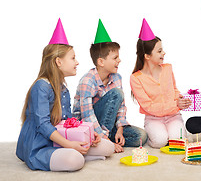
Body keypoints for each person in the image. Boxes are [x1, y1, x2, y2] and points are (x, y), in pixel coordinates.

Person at [16, 19, 114, 172]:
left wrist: (89, 132)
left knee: (108, 147)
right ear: (58, 62)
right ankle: (75, 155)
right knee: (74, 160)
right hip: (40, 146)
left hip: (60, 140)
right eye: (73, 58)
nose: (77, 62)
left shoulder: (63, 89)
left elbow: (69, 121)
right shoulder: (41, 86)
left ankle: (75, 153)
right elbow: (43, 125)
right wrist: (69, 145)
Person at [73, 19, 147, 153]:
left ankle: (110, 139)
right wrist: (103, 137)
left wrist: (119, 129)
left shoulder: (116, 78)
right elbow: (87, 115)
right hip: (89, 127)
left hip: (109, 126)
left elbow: (121, 107)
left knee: (141, 137)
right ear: (101, 61)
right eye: (115, 57)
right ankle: (104, 141)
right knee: (117, 93)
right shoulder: (87, 81)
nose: (119, 60)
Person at [130, 19, 191, 148]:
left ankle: (171, 134)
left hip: (173, 116)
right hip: (153, 118)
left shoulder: (168, 68)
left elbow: (174, 89)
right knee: (160, 141)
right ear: (147, 56)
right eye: (159, 51)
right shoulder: (136, 78)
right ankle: (158, 134)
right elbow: (149, 107)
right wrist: (176, 104)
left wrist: (180, 98)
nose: (163, 53)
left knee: (178, 141)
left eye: (162, 50)